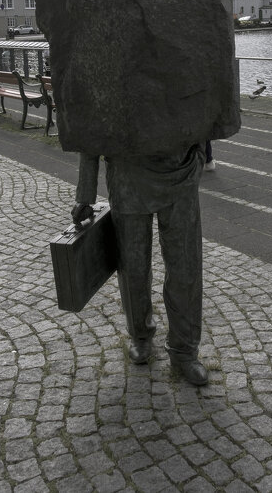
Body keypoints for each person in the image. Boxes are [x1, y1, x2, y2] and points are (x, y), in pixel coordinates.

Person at [72, 145, 208, 386]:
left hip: (180, 169)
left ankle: (185, 349)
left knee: (186, 265)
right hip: (128, 174)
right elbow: (89, 120)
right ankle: (140, 333)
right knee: (133, 265)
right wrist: (85, 193)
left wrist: (199, 154)